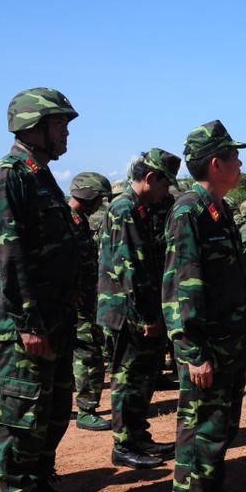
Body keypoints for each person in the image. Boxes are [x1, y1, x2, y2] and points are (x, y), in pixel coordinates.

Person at [0, 87, 86, 492]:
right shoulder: (8, 177)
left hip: (55, 318)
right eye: (60, 123)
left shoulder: (40, 175)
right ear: (34, 126)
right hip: (28, 324)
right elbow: (6, 256)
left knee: (54, 410)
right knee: (22, 415)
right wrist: (26, 323)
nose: (65, 131)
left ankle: (39, 487)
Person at [163, 120, 246, 492]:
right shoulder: (189, 211)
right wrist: (193, 351)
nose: (240, 163)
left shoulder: (218, 208)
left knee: (222, 424)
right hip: (207, 346)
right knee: (200, 427)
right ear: (217, 164)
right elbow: (182, 289)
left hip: (228, 341)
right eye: (234, 156)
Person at [98, 148, 181, 469]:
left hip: (141, 310)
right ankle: (123, 443)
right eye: (164, 184)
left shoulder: (140, 208)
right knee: (128, 377)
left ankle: (137, 434)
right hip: (127, 313)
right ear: (149, 178)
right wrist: (146, 315)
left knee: (144, 377)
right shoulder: (124, 210)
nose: (167, 191)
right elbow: (130, 267)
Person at [66, 172, 113, 430]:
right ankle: (86, 410)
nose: (100, 205)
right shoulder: (66, 221)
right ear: (88, 196)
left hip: (83, 301)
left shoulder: (76, 220)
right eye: (99, 198)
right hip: (76, 305)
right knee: (89, 355)